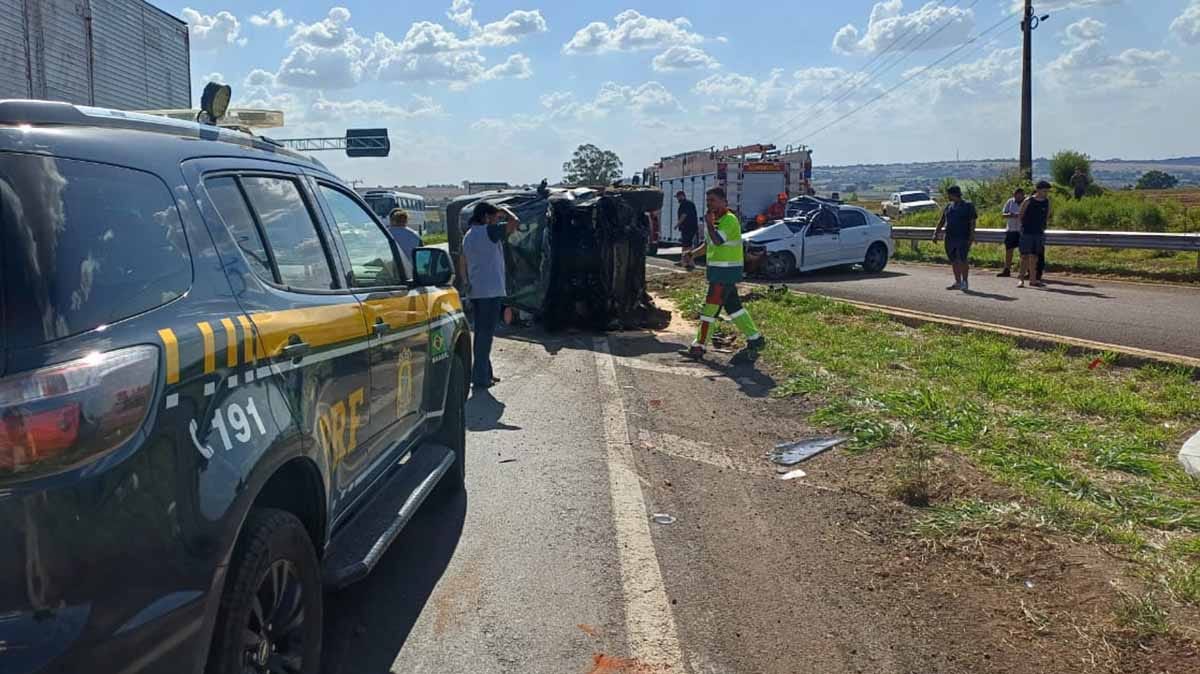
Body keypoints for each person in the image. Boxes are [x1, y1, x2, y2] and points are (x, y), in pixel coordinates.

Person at [681, 187, 765, 363]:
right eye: (708, 201)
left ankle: (699, 346)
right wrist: (692, 254)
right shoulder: (716, 221)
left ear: (723, 202)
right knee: (734, 308)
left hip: (725, 273)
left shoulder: (729, 220)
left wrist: (709, 224)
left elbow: (718, 241)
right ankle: (755, 339)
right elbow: (709, 244)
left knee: (709, 310)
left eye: (712, 200)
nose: (709, 204)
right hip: (719, 272)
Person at [460, 202, 519, 390]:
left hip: (477, 290)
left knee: (481, 333)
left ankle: (486, 373)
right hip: (491, 291)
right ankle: (480, 378)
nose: (498, 220)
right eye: (495, 217)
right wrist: (506, 210)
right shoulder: (489, 231)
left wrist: (465, 281)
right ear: (486, 217)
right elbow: (514, 222)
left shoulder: (468, 235)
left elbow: (462, 260)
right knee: (485, 335)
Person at [932, 185, 977, 291]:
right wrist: (936, 232)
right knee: (953, 260)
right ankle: (958, 282)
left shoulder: (968, 205)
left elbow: (972, 221)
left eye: (949, 194)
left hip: (963, 236)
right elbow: (942, 220)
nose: (948, 196)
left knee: (962, 259)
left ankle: (965, 282)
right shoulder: (949, 206)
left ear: (954, 194)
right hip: (950, 236)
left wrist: (972, 235)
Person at [1018, 181, 1051, 288]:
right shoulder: (1028, 200)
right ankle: (1021, 279)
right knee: (1024, 257)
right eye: (1044, 190)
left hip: (1039, 232)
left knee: (1035, 257)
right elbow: (1021, 215)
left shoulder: (1046, 201)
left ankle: (1033, 280)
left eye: (1047, 191)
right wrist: (1024, 227)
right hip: (1027, 232)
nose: (1046, 193)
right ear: (1038, 190)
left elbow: (1047, 216)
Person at [998, 188, 1025, 277]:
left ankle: (1024, 271)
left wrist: (1021, 215)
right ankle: (1007, 269)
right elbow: (1003, 214)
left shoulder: (1027, 202)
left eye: (1019, 195)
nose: (1017, 197)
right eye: (1016, 195)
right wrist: (1011, 215)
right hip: (1011, 230)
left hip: (1022, 230)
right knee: (1009, 250)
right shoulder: (1010, 201)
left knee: (1024, 252)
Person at [675, 190, 699, 270]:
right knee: (685, 245)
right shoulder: (686, 203)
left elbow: (684, 215)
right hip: (688, 227)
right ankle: (683, 261)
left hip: (689, 227)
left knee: (687, 246)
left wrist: (677, 224)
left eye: (678, 197)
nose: (677, 199)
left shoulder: (686, 204)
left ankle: (691, 263)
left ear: (682, 196)